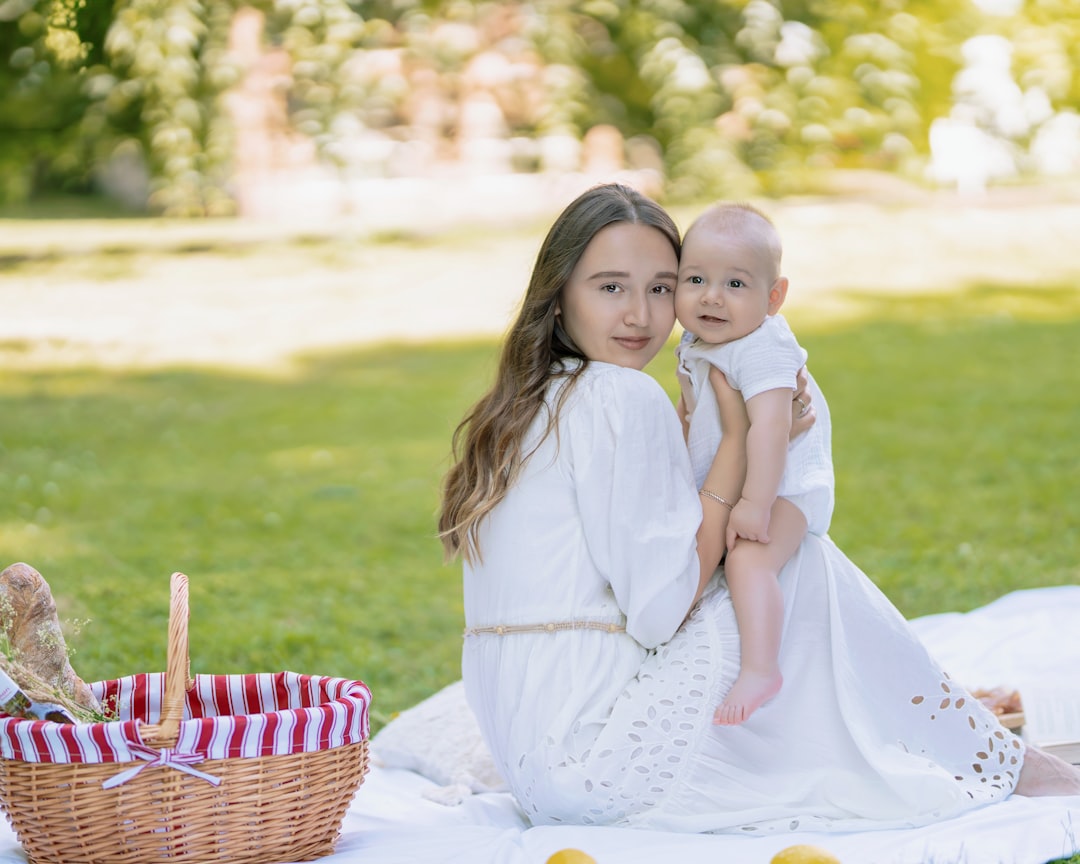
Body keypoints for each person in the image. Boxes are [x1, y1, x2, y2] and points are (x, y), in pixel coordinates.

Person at [438, 183, 1080, 835]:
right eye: (610, 287)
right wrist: (736, 450)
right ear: (559, 296)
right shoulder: (621, 397)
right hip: (597, 766)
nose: (639, 315)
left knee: (766, 570)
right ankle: (999, 761)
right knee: (793, 557)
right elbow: (661, 613)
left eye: (662, 288)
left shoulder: (523, 404)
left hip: (536, 768)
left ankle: (966, 742)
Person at [673, 202, 833, 726]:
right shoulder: (699, 341)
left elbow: (772, 427)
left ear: (774, 297)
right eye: (695, 279)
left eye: (735, 284)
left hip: (787, 487)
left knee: (748, 560)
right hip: (742, 477)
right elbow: (694, 409)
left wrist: (754, 503)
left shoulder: (762, 348)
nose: (711, 297)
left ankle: (762, 669)